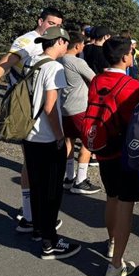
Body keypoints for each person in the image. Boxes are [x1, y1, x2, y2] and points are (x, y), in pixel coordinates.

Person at [0, 7, 64, 232]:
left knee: (31, 164)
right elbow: (2, 66)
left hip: (37, 109)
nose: (54, 28)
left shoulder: (52, 43)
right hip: (25, 111)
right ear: (40, 20)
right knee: (33, 165)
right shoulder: (27, 41)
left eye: (58, 25)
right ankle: (32, 216)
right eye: (50, 23)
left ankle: (32, 214)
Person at [88, 37, 139, 276]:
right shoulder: (134, 86)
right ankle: (115, 266)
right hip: (125, 153)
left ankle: (112, 243)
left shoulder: (96, 80)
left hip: (103, 148)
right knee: (126, 204)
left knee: (111, 196)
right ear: (125, 57)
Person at [22, 27, 82, 259]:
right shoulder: (54, 68)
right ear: (59, 41)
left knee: (36, 185)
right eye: (65, 42)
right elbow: (50, 107)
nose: (66, 46)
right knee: (51, 192)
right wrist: (59, 137)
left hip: (28, 134)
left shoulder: (31, 62)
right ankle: (50, 242)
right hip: (47, 137)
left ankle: (38, 229)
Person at [58, 31, 99, 195]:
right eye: (82, 44)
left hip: (64, 106)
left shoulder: (58, 60)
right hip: (80, 107)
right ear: (77, 45)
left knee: (69, 140)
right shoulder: (76, 61)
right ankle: (81, 180)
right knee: (88, 142)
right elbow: (94, 78)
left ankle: (69, 177)